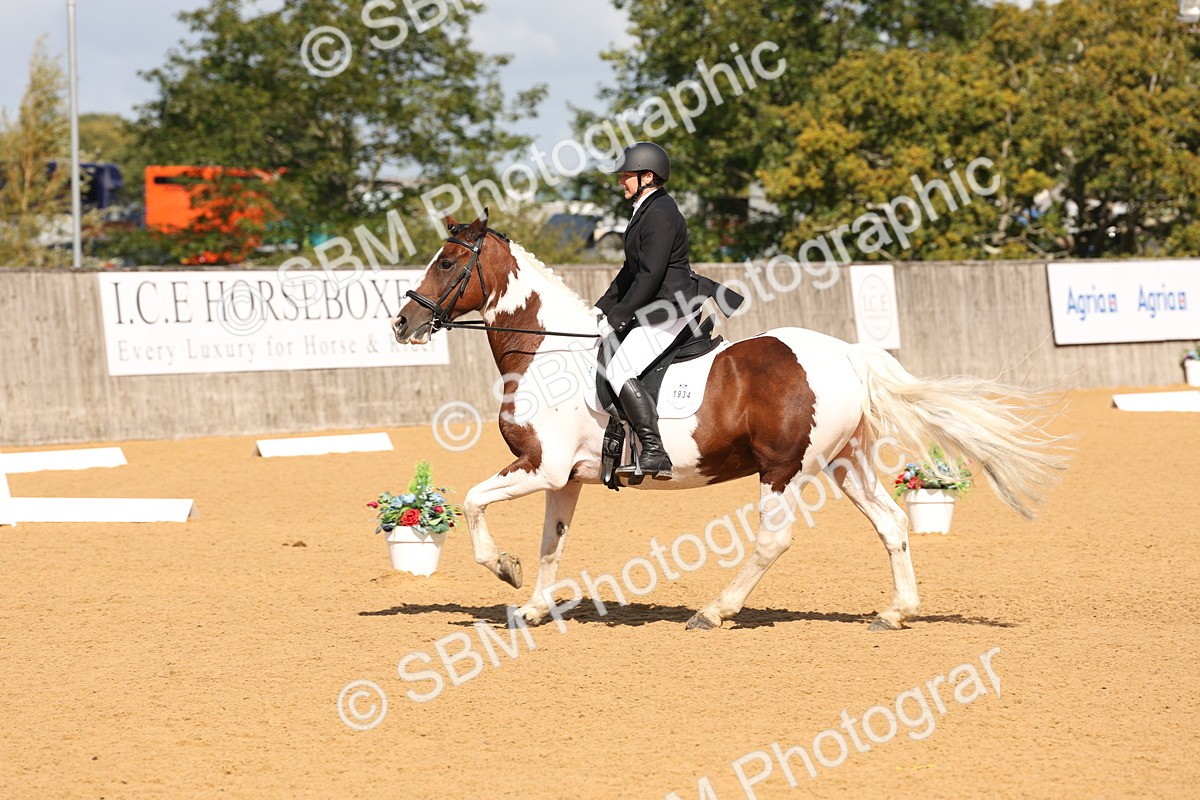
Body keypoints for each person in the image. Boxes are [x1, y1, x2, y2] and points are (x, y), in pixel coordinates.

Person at [594, 142, 744, 479]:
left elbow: (651, 275)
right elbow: (630, 270)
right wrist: (601, 309)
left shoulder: (660, 214)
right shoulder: (647, 209)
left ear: (648, 176)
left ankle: (654, 451)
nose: (621, 181)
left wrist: (619, 316)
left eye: (626, 175)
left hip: (671, 308)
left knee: (619, 370)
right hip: (657, 304)